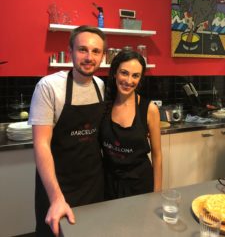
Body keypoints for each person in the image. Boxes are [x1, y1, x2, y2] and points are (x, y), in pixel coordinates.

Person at [28, 25, 106, 237]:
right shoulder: (49, 87)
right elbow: (41, 144)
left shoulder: (100, 85)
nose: (89, 57)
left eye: (96, 51)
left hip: (93, 183)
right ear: (70, 51)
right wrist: (56, 198)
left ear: (102, 56)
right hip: (58, 184)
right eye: (82, 49)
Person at [99, 50, 162, 200]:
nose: (129, 80)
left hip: (139, 184)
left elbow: (157, 155)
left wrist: (157, 192)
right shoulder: (104, 105)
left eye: (135, 75)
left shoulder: (149, 109)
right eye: (124, 73)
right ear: (115, 73)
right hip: (108, 184)